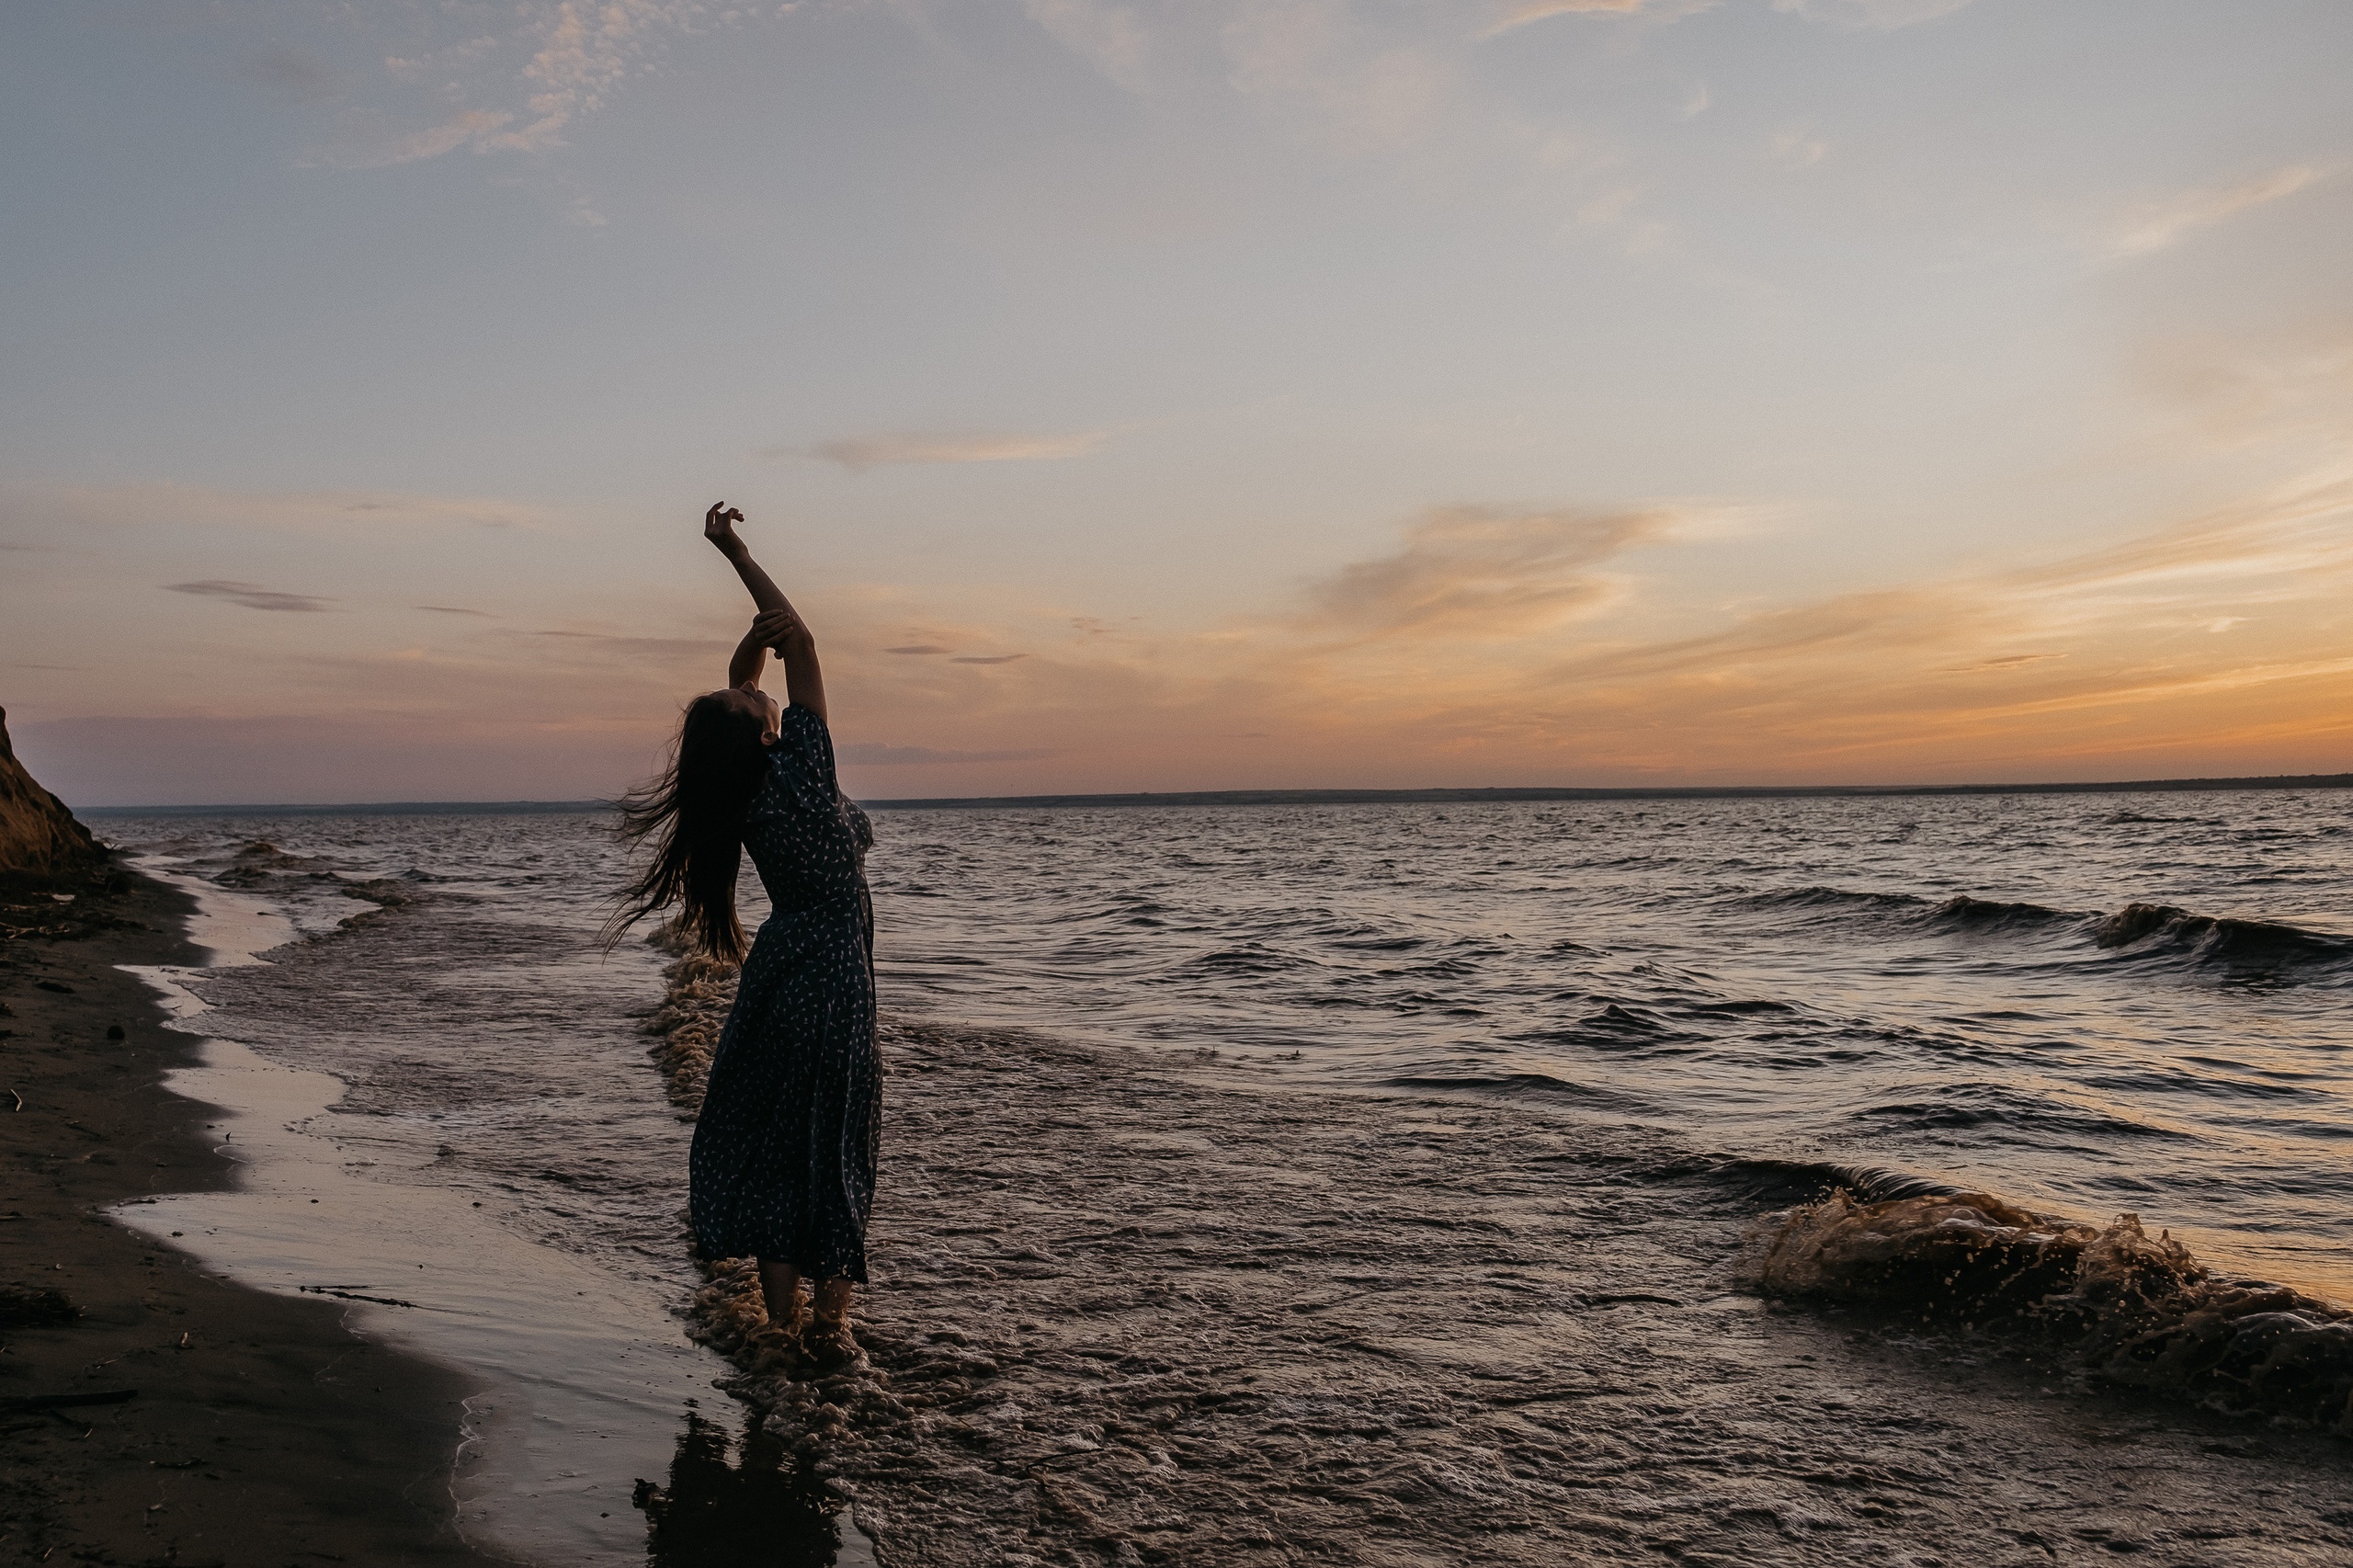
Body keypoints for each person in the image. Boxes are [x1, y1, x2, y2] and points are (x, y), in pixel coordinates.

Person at [607, 503, 879, 1370]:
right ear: (764, 730)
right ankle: (830, 1331)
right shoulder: (805, 770)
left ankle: (777, 1333)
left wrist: (745, 663)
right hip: (834, 978)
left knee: (777, 1145)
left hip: (782, 970)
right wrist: (737, 553)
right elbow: (799, 640)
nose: (759, 688)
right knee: (832, 1143)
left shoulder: (746, 791)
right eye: (755, 699)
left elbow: (751, 666)